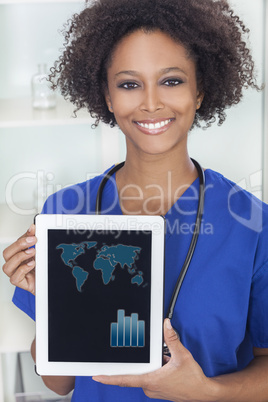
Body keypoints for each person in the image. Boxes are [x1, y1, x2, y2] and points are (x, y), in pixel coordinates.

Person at [2, 0, 268, 400]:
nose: (150, 102)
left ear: (200, 92)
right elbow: (59, 383)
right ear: (107, 96)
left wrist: (205, 391)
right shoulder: (63, 211)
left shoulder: (252, 223)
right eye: (129, 84)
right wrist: (54, 306)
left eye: (172, 81)